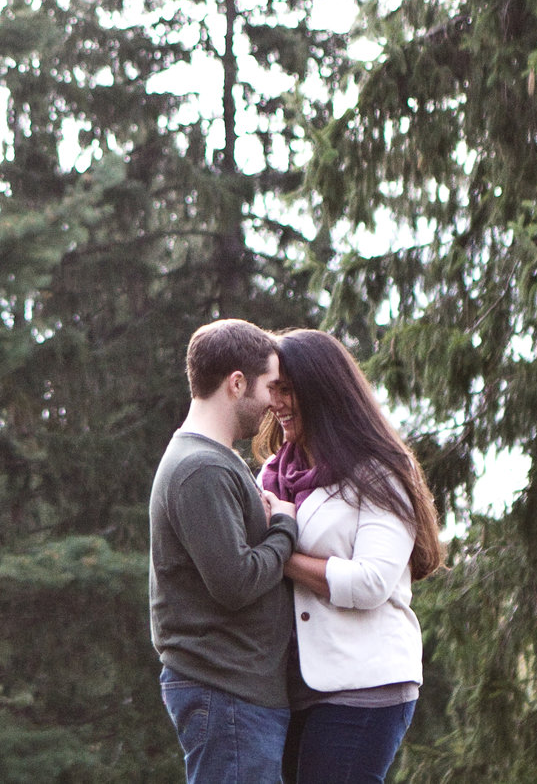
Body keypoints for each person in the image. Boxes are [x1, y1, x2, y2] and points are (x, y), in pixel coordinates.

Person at [254, 329, 445, 784]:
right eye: (272, 389)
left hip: (366, 684)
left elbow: (371, 582)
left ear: (321, 389)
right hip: (294, 685)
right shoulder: (272, 475)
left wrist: (280, 552)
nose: (274, 402)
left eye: (287, 389)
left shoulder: (380, 471)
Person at [149, 318, 303, 784]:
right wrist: (283, 528)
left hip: (237, 697)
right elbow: (235, 582)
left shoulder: (213, 461)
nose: (275, 403)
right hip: (226, 695)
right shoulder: (201, 469)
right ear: (236, 384)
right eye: (270, 388)